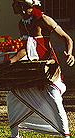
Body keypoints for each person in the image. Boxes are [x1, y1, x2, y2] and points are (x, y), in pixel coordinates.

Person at [7, 0, 74, 137]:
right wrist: (10, 61)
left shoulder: (43, 19)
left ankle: (65, 135)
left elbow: (67, 38)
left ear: (22, 5)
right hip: (33, 68)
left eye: (15, 2)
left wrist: (70, 53)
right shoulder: (22, 23)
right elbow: (26, 48)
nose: (12, 5)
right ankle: (15, 135)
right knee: (13, 96)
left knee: (53, 97)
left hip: (49, 68)